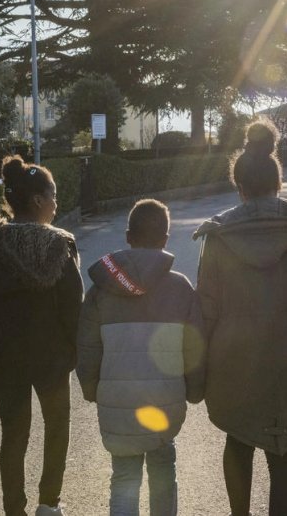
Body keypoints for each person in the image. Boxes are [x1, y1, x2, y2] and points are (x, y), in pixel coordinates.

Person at [193, 121, 287, 516]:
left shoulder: (219, 237)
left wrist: (197, 374)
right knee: (286, 453)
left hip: (234, 364)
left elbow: (205, 310)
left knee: (237, 442)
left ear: (239, 188)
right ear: (279, 183)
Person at [0, 155, 84, 516]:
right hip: (51, 358)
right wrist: (74, 351)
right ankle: (49, 504)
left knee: (13, 433)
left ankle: (13, 509)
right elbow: (72, 308)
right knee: (57, 427)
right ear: (37, 201)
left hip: (2, 358)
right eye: (54, 195)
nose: (56, 203)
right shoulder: (59, 246)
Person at [76, 199, 206, 516]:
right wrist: (195, 390)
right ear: (165, 238)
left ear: (128, 236)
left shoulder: (100, 291)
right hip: (164, 402)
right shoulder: (179, 288)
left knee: (124, 477)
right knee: (163, 472)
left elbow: (87, 347)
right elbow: (194, 348)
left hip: (117, 401)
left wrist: (91, 389)